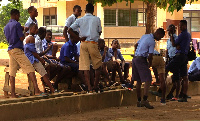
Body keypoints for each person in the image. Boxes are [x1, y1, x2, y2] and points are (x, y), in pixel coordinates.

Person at [4, 9, 42, 98]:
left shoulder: (6, 26)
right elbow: (21, 38)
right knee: (30, 68)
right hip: (17, 50)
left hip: (11, 49)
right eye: (19, 16)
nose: (19, 17)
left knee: (12, 72)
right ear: (16, 15)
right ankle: (37, 90)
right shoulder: (17, 24)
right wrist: (24, 31)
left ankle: (13, 93)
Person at [68, 3, 102, 93]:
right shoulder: (97, 19)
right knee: (98, 66)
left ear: (85, 11)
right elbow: (100, 31)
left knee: (85, 67)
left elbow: (69, 30)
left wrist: (78, 38)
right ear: (93, 10)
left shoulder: (80, 20)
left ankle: (89, 88)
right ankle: (95, 86)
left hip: (83, 43)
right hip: (93, 43)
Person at [132, 28, 165, 109]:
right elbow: (150, 55)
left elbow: (136, 45)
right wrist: (149, 64)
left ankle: (139, 101)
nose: (159, 39)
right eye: (160, 37)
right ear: (158, 34)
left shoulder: (144, 36)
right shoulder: (152, 41)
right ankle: (145, 99)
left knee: (139, 81)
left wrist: (137, 52)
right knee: (148, 79)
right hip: (141, 59)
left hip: (135, 58)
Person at [24, 23, 55, 93]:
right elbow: (34, 52)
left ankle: (43, 89)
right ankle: (51, 89)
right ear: (30, 29)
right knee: (44, 73)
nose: (36, 30)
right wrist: (40, 59)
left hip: (28, 59)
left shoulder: (27, 37)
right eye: (35, 28)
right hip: (32, 59)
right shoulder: (31, 38)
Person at [166, 20, 191, 102]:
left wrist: (172, 36)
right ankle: (183, 95)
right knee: (184, 76)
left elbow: (174, 44)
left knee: (168, 68)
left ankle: (161, 89)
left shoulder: (182, 35)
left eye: (181, 26)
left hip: (179, 55)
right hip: (184, 56)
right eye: (179, 26)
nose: (180, 27)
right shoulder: (187, 35)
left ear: (185, 26)